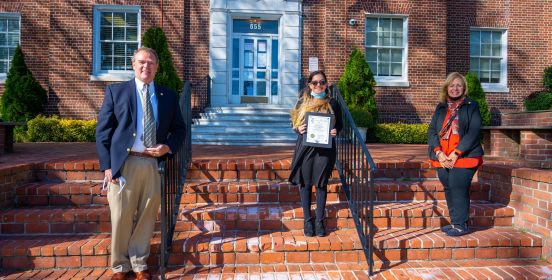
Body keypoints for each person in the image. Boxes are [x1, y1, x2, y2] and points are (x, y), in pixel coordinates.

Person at [96, 47, 186, 280]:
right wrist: (107, 166)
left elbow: (179, 129)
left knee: (147, 215)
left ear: (157, 67)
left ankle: (139, 264)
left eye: (151, 63)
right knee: (121, 215)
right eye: (141, 62)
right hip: (124, 164)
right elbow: (103, 132)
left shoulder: (167, 96)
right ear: (133, 64)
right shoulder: (117, 92)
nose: (146, 66)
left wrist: (167, 147)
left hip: (151, 164)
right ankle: (119, 266)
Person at [428, 72, 484, 237]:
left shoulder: (471, 105)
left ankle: (461, 225)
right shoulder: (441, 107)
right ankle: (455, 222)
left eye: (458, 85)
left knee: (458, 187)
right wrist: (438, 152)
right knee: (449, 187)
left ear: (464, 88)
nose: (455, 88)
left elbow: (473, 132)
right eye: (452, 85)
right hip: (443, 157)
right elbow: (432, 131)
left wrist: (456, 153)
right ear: (447, 88)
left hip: (464, 156)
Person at [288, 70, 342, 237]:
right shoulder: (302, 102)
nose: (318, 85)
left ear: (326, 84)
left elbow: (339, 125)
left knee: (320, 183)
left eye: (322, 82)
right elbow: (294, 123)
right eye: (315, 83)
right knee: (305, 183)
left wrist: (335, 131)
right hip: (305, 148)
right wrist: (298, 128)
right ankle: (307, 220)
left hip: (324, 149)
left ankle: (319, 221)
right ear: (309, 85)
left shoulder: (332, 103)